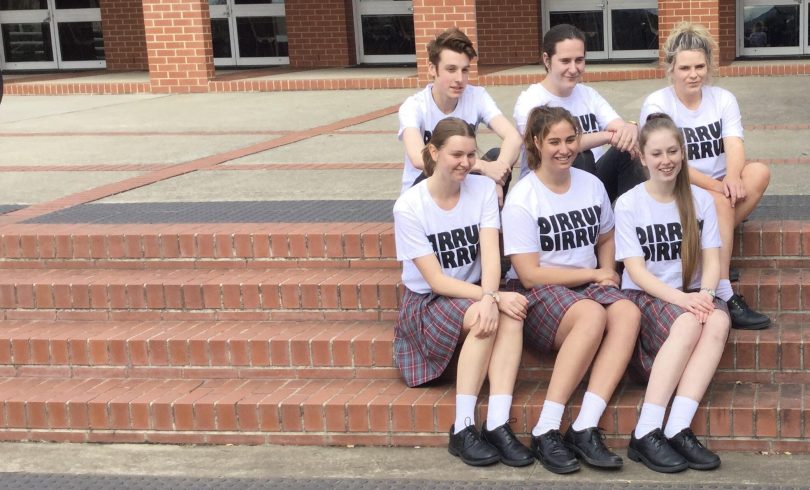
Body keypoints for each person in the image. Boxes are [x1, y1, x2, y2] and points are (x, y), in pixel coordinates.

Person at [502, 105, 640, 474]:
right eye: (554, 142)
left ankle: (584, 426)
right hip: (540, 292)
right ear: (536, 143)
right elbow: (529, 274)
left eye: (570, 140)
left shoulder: (591, 184)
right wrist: (594, 276)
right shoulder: (523, 198)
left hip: (586, 283)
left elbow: (607, 235)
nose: (564, 149)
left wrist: (607, 269)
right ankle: (547, 427)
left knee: (627, 311)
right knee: (593, 314)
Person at [393, 117, 533, 468]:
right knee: (487, 318)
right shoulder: (409, 207)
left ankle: (498, 422)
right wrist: (492, 298)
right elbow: (437, 281)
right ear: (433, 152)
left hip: (475, 292)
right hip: (428, 302)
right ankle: (464, 426)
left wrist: (491, 295)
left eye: (471, 154)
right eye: (457, 154)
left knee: (510, 317)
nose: (466, 163)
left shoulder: (483, 189)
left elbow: (490, 256)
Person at [615, 113, 730, 473]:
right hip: (646, 297)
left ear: (683, 153)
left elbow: (713, 259)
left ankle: (678, 425)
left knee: (718, 321)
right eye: (657, 153)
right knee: (689, 323)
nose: (666, 160)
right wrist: (684, 301)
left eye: (673, 151)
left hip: (692, 294)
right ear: (643, 157)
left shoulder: (700, 200)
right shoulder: (630, 203)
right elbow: (635, 272)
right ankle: (647, 431)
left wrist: (707, 295)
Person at [639, 22, 771, 330]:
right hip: (677, 188)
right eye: (685, 67)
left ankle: (706, 245)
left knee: (759, 172)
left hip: (720, 189)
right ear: (670, 67)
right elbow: (665, 160)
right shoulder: (658, 104)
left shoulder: (722, 98)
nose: (693, 74)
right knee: (719, 203)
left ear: (709, 66)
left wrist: (734, 177)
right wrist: (718, 186)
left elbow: (734, 142)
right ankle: (724, 292)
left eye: (700, 66)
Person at [513, 24, 645, 202]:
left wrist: (630, 127)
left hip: (595, 181)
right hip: (548, 188)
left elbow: (619, 129)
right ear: (546, 59)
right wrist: (607, 136)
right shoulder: (530, 100)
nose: (574, 69)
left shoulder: (588, 94)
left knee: (627, 151)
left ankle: (632, 220)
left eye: (579, 60)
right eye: (565, 61)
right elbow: (556, 147)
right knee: (581, 156)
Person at [398, 28, 522, 204]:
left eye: (465, 70)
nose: (459, 78)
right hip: (423, 190)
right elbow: (419, 160)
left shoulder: (476, 96)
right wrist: (484, 167)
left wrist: (496, 175)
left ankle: (490, 221)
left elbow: (513, 137)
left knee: (498, 154)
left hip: (460, 183)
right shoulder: (414, 106)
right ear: (432, 69)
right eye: (451, 69)